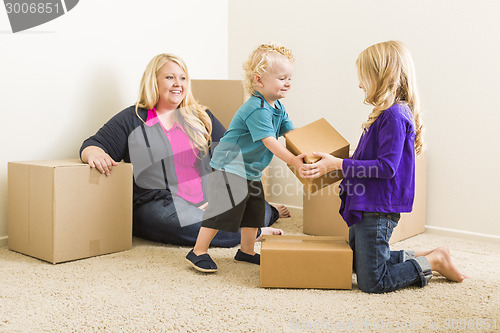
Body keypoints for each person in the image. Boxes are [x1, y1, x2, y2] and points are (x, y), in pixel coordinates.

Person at [301, 41, 467, 293]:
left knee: (372, 281)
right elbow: (366, 158)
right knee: (358, 262)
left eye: (363, 77)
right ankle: (428, 254)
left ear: (382, 75)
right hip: (366, 201)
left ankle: (433, 261)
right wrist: (336, 167)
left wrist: (338, 164)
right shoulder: (384, 114)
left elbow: (386, 168)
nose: (359, 84)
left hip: (376, 207)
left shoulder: (395, 115)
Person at [79, 53, 286, 248]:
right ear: (154, 81)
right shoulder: (133, 118)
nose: (178, 83)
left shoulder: (201, 117)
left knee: (257, 206)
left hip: (206, 198)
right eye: (170, 77)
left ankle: (266, 215)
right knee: (187, 225)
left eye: (183, 78)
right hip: (158, 204)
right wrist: (95, 154)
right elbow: (93, 144)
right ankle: (250, 233)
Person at [186, 42, 307, 273]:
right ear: (259, 80)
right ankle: (198, 250)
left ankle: (247, 250)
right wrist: (293, 160)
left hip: (250, 169)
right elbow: (269, 141)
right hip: (230, 167)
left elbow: (291, 132)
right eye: (282, 78)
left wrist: (309, 148)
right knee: (223, 210)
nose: (288, 82)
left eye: (289, 77)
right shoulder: (257, 108)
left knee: (254, 211)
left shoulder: (277, 107)